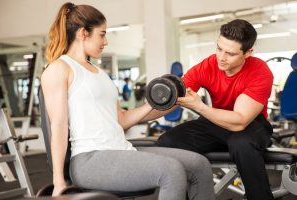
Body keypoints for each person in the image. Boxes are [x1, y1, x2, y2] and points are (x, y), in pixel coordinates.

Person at [41, 2, 215, 200]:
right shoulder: (59, 69)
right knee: (171, 170)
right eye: (102, 34)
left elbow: (121, 119)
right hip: (90, 160)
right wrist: (58, 182)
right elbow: (59, 126)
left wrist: (171, 102)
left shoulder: (100, 74)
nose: (105, 41)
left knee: (199, 165)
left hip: (120, 150)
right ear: (83, 33)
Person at [149, 19, 274, 200]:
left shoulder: (260, 71)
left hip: (251, 125)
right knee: (168, 141)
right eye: (219, 48)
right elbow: (174, 97)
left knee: (241, 144)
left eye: (230, 53)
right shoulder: (208, 65)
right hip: (215, 121)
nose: (221, 57)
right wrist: (134, 117)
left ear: (248, 53)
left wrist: (200, 107)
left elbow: (239, 121)